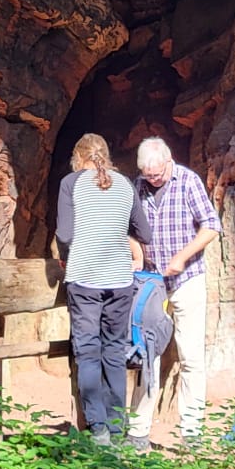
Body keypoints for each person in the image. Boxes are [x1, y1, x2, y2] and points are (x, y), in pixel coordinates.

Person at [127, 137, 221, 445]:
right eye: (147, 175)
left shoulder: (188, 181)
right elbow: (128, 228)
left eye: (156, 174)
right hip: (152, 282)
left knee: (190, 355)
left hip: (187, 278)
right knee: (146, 353)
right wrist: (138, 257)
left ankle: (192, 432)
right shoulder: (138, 185)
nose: (152, 179)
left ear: (169, 162)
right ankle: (137, 431)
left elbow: (210, 226)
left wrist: (182, 257)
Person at [56, 134, 146, 444]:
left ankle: (98, 429)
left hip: (84, 279)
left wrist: (66, 259)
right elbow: (143, 231)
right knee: (114, 351)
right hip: (120, 281)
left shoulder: (71, 183)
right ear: (106, 157)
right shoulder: (125, 184)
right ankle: (118, 427)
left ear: (77, 158)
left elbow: (65, 234)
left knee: (88, 352)